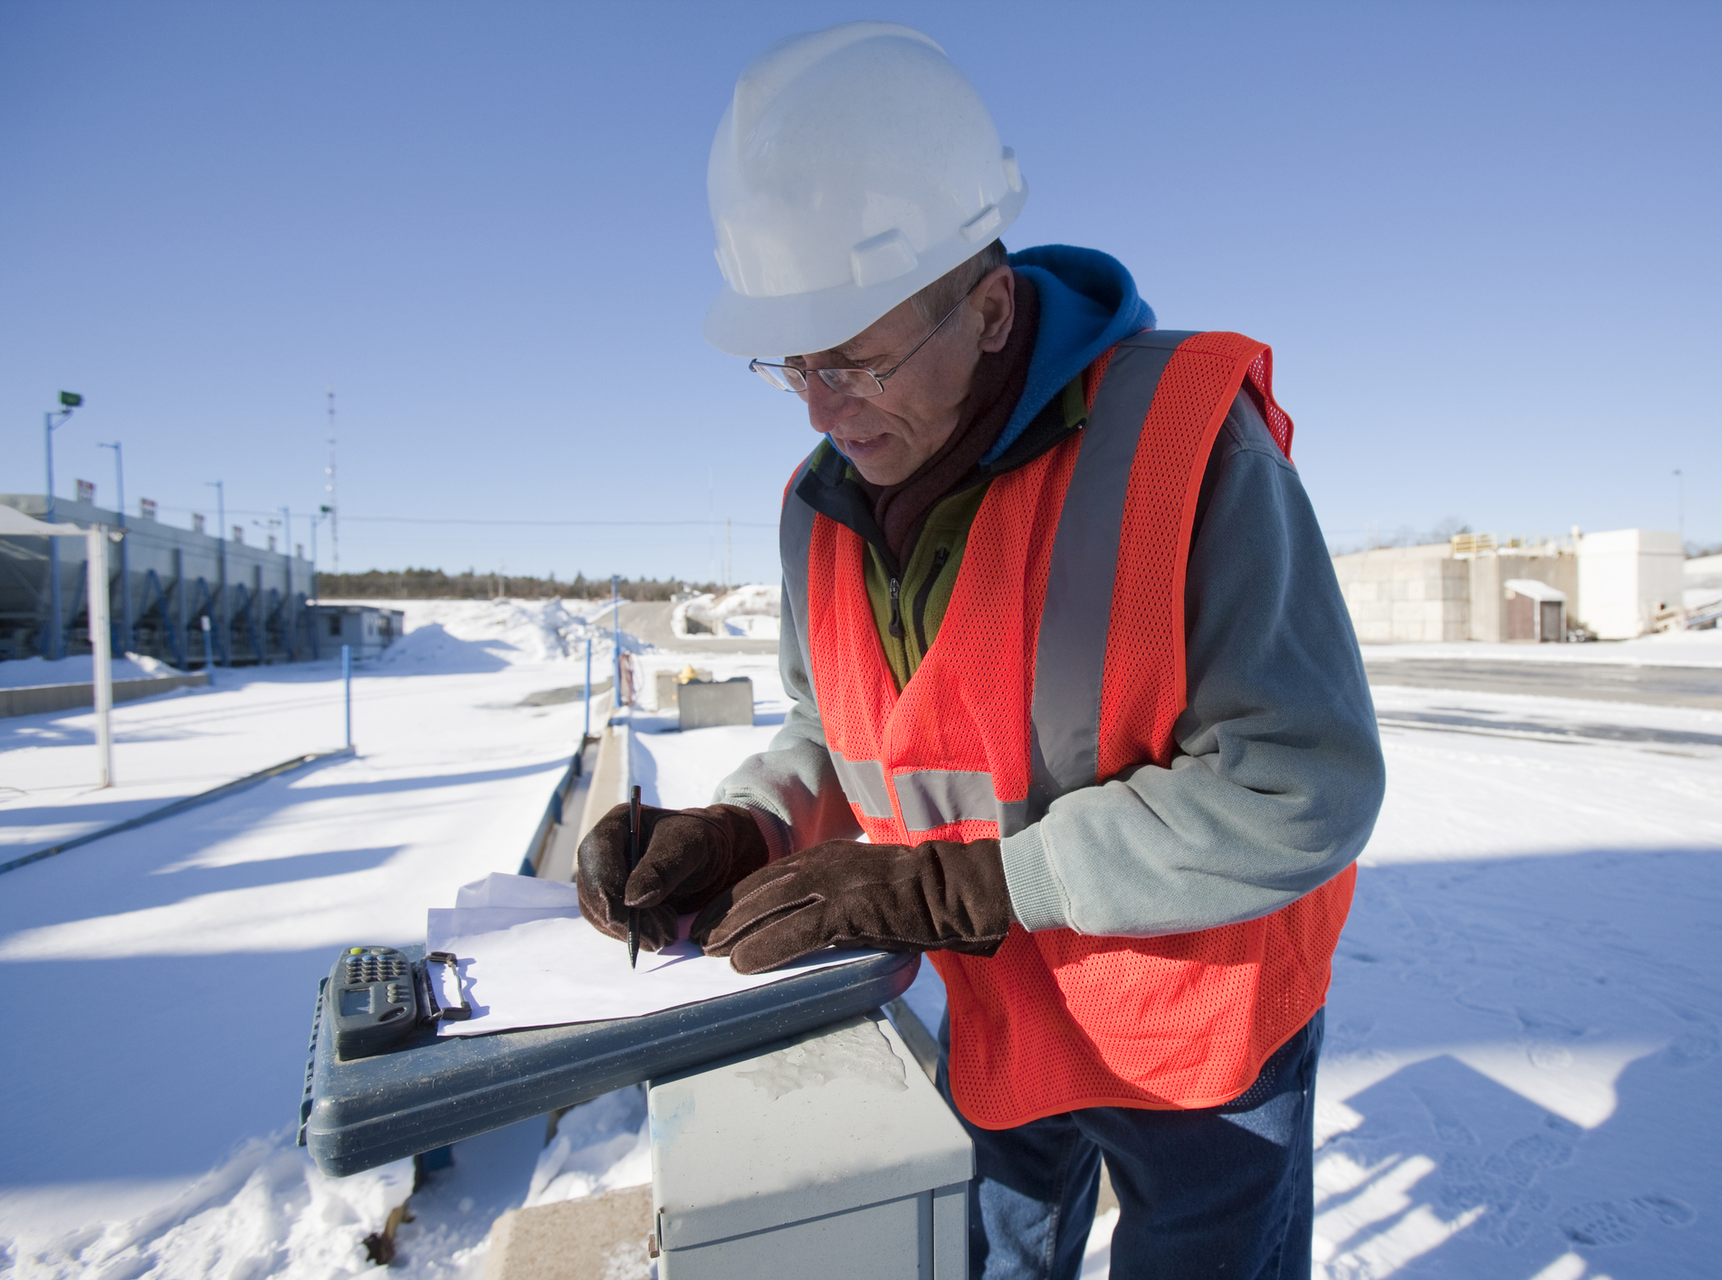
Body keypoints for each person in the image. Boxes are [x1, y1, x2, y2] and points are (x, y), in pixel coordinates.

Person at [577, 22, 1384, 1279]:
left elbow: (1302, 782)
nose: (822, 405)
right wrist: (740, 828)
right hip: (1003, 1009)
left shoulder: (1184, 448)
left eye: (855, 357)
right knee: (996, 1262)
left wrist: (960, 886)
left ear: (991, 306)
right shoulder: (815, 507)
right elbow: (840, 737)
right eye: (792, 362)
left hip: (1197, 1028)